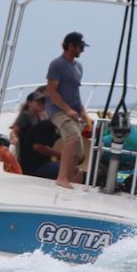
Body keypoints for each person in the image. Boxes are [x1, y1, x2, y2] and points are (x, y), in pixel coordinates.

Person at [46, 31, 88, 188]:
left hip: (73, 111)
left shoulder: (79, 67)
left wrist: (81, 110)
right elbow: (51, 91)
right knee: (72, 137)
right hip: (57, 110)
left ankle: (68, 178)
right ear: (71, 46)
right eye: (80, 47)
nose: (82, 50)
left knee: (79, 150)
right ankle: (61, 177)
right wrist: (67, 109)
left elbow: (75, 92)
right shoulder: (56, 64)